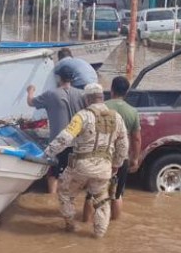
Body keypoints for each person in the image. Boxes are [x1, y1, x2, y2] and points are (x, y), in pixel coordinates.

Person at [44, 83, 128, 238]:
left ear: (87, 99)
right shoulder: (117, 117)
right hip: (104, 168)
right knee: (102, 201)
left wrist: (48, 153)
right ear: (102, 98)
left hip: (80, 166)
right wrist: (117, 164)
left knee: (64, 193)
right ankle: (99, 235)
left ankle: (70, 225)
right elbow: (123, 145)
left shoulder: (82, 116)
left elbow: (65, 137)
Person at [83, 75, 141, 222]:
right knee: (117, 194)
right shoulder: (133, 112)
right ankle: (114, 226)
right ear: (126, 92)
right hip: (121, 158)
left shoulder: (101, 107)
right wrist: (135, 158)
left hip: (99, 156)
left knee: (91, 194)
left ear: (111, 90)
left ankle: (85, 222)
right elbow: (136, 138)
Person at [27, 68, 86, 193]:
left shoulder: (51, 94)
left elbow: (31, 102)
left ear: (59, 79)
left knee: (54, 173)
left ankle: (51, 200)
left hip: (58, 142)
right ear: (73, 79)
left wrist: (30, 91)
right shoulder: (82, 94)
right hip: (77, 142)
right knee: (73, 175)